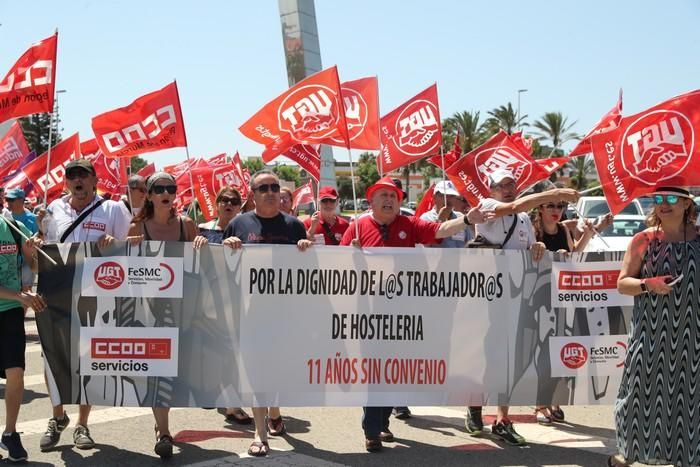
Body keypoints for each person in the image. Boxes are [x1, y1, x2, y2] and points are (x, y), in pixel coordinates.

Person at [340, 176, 493, 452]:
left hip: (405, 313)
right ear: (371, 201)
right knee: (375, 371)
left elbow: (441, 229)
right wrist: (349, 255)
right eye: (383, 195)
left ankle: (381, 421)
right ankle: (372, 429)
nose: (389, 200)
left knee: (394, 372)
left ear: (400, 202)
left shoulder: (410, 225)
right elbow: (336, 266)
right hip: (369, 314)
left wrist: (467, 221)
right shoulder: (358, 226)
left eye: (394, 196)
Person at [464, 169, 579, 445]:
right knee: (485, 355)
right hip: (488, 295)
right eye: (501, 185)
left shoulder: (525, 220)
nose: (508, 189)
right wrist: (555, 193)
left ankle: (503, 419)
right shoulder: (489, 207)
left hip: (517, 298)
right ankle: (474, 404)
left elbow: (528, 251)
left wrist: (539, 248)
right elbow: (514, 206)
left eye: (511, 184)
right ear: (491, 190)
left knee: (509, 359)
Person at [37, 159, 132, 452]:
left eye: (83, 175)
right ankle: (58, 417)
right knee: (52, 356)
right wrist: (39, 235)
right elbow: (48, 249)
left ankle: (82, 424)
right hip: (58, 292)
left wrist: (113, 243)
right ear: (66, 182)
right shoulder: (53, 209)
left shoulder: (113, 209)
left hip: (96, 294)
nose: (77, 180)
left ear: (94, 180)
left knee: (87, 360)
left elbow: (129, 247)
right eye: (72, 176)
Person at [222, 170, 313, 457]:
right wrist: (228, 248)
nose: (271, 191)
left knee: (277, 371)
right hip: (250, 314)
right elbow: (223, 268)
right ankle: (261, 434)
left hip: (285, 315)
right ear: (252, 195)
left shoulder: (295, 225)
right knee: (256, 372)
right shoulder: (238, 224)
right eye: (264, 188)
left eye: (275, 187)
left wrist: (306, 249)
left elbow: (310, 272)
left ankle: (275, 411)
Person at [612, 187, 700, 467]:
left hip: (693, 339)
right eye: (658, 199)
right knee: (640, 398)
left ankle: (685, 458)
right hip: (651, 335)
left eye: (671, 198)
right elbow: (622, 283)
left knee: (690, 402)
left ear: (687, 203)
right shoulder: (643, 240)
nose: (664, 204)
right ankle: (628, 455)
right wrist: (647, 284)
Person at [127, 172, 208, 459]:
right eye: (158, 188)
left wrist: (201, 245)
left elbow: (202, 266)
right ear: (148, 195)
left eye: (170, 188)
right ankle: (163, 431)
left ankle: (163, 424)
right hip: (150, 311)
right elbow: (126, 268)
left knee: (175, 374)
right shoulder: (137, 226)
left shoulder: (186, 225)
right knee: (157, 373)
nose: (165, 193)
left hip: (184, 310)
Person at [196, 187, 252, 425]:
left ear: (240, 206)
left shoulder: (248, 231)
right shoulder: (203, 231)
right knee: (211, 352)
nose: (229, 204)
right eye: (224, 200)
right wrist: (195, 243)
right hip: (208, 301)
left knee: (235, 354)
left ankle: (233, 405)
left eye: (234, 201)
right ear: (216, 204)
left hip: (239, 301)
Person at [0, 216, 46, 463]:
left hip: (10, 312)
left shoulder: (13, 226)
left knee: (16, 372)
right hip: (14, 301)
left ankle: (10, 432)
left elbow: (35, 267)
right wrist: (20, 296)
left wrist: (33, 249)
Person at [420, 180, 472, 247]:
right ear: (434, 197)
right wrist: (440, 221)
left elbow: (469, 245)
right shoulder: (425, 219)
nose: (447, 199)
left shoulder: (461, 218)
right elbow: (426, 247)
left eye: (452, 196)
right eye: (443, 195)